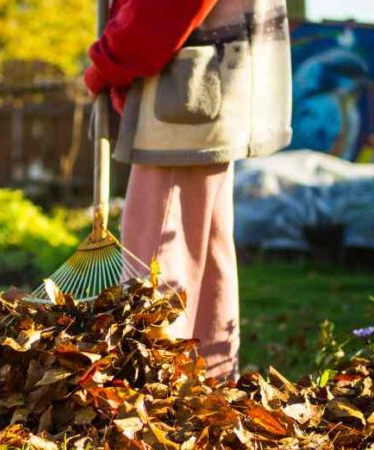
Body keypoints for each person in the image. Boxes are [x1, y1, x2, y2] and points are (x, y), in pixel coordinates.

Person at [84, 0, 293, 378]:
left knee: (158, 256)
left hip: (186, 93)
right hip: (214, 87)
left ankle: (153, 391)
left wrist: (108, 62)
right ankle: (206, 388)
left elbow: (161, 12)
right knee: (204, 248)